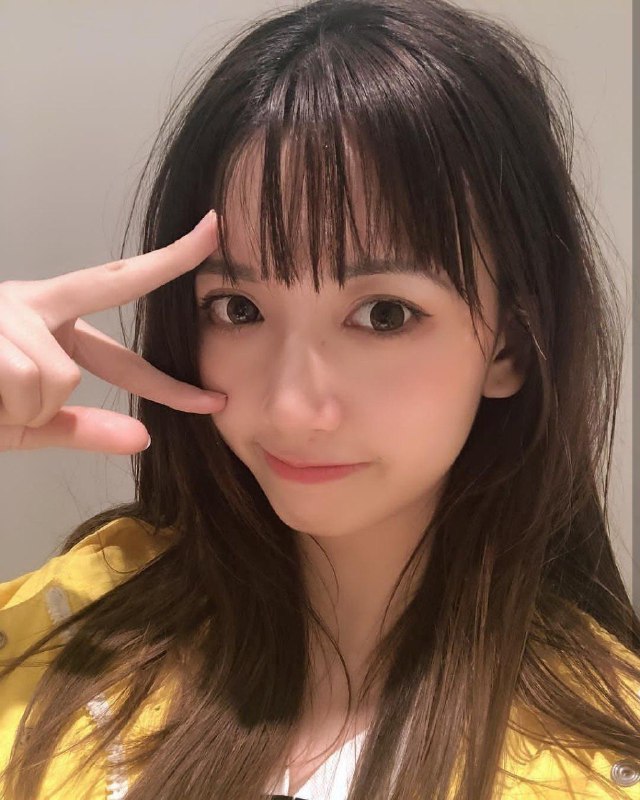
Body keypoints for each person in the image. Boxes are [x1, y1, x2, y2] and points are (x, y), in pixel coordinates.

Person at [0, 0, 638, 797]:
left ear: (508, 344)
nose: (291, 409)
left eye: (384, 315)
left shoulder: (603, 762)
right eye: (238, 309)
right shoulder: (68, 637)